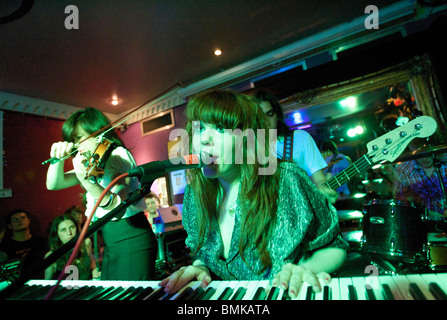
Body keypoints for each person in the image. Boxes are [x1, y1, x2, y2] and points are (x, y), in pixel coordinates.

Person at [159, 89, 348, 298]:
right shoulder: (195, 195)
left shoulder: (286, 179)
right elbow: (204, 252)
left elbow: (335, 247)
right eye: (200, 128)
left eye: (221, 128)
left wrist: (308, 269)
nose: (204, 139)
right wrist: (200, 267)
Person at [46, 107, 157, 280]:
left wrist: (85, 180)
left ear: (98, 133)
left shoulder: (118, 155)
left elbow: (117, 207)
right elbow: (54, 184)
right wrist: (57, 159)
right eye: (73, 140)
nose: (76, 145)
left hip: (131, 236)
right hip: (110, 239)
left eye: (80, 138)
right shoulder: (93, 164)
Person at [253, 90, 338, 203]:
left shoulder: (300, 138)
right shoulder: (245, 149)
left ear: (277, 116)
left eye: (270, 114)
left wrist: (326, 192)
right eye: (259, 117)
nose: (266, 122)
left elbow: (319, 182)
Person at [394, 138, 447, 221]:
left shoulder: (445, 160)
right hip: (422, 223)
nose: (425, 159)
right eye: (420, 154)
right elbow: (399, 200)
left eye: (428, 153)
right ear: (412, 149)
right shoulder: (403, 169)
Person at [44, 213, 100, 280]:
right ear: (56, 233)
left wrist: (94, 270)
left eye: (72, 227)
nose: (69, 233)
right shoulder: (51, 256)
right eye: (63, 230)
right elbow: (47, 283)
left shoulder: (86, 243)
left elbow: (91, 260)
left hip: (86, 288)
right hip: (65, 290)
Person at [0, 209, 47, 277]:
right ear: (9, 226)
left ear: (29, 220)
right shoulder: (5, 245)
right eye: (15, 220)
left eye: (23, 217)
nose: (20, 221)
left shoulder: (41, 242)